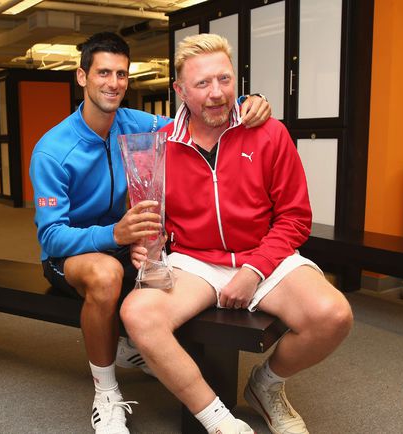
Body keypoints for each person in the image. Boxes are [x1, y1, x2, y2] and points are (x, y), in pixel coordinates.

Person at [29, 32, 271, 434]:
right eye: (103, 73)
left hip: (124, 242)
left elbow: (196, 114)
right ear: (82, 77)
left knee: (175, 266)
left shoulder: (135, 123)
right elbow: (51, 236)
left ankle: (138, 346)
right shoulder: (52, 150)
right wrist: (115, 234)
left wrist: (247, 100)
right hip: (72, 256)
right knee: (106, 274)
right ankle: (106, 394)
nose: (113, 83)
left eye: (121, 74)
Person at [120, 33, 354, 434]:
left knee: (333, 316)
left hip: (263, 254)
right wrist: (143, 248)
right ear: (180, 90)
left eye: (224, 79)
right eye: (202, 83)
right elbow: (149, 218)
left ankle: (267, 385)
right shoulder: (160, 146)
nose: (216, 93)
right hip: (195, 262)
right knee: (137, 315)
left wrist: (255, 269)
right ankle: (220, 421)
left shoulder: (268, 132)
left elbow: (295, 217)